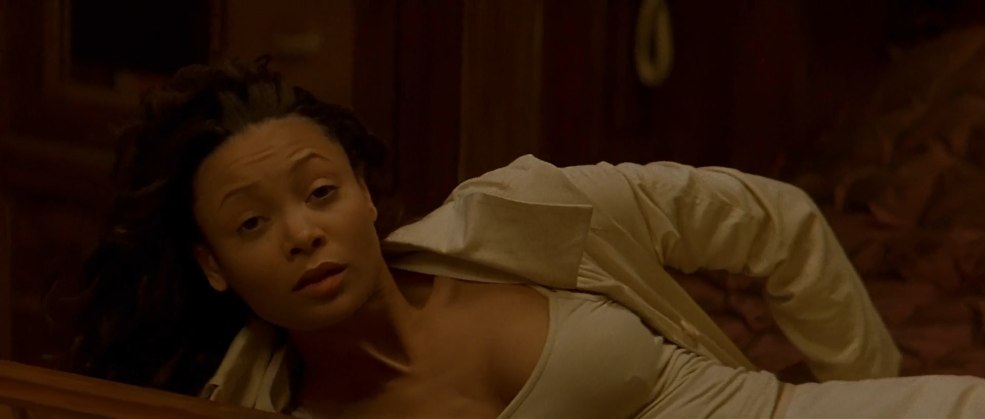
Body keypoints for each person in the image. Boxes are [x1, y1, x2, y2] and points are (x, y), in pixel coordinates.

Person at [72, 58, 985, 418]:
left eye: (319, 192)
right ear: (212, 265)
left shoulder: (524, 210)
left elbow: (772, 218)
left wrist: (863, 388)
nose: (303, 233)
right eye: (252, 223)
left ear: (364, 194)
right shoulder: (248, 407)